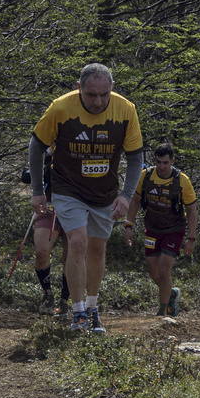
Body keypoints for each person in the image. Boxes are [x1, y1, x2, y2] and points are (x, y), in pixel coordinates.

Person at [29, 62, 143, 334]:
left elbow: (135, 156)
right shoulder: (60, 108)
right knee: (78, 242)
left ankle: (93, 309)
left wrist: (126, 196)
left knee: (97, 249)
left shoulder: (126, 110)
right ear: (79, 88)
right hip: (68, 188)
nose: (98, 101)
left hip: (104, 192)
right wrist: (37, 190)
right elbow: (37, 145)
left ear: (112, 88)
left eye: (104, 94)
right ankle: (78, 311)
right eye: (91, 94)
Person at [127, 142, 197, 316]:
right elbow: (135, 200)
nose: (162, 166)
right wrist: (129, 225)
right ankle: (171, 293)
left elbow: (191, 210)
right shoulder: (146, 176)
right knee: (154, 272)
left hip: (174, 229)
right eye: (158, 162)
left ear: (172, 161)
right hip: (152, 228)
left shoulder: (182, 180)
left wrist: (191, 238)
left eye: (165, 162)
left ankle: (162, 312)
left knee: (164, 270)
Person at [21, 154, 70, 316]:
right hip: (48, 209)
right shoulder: (45, 153)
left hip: (73, 210)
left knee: (72, 256)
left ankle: (65, 300)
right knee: (41, 251)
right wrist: (43, 172)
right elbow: (27, 173)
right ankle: (47, 294)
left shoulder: (78, 150)